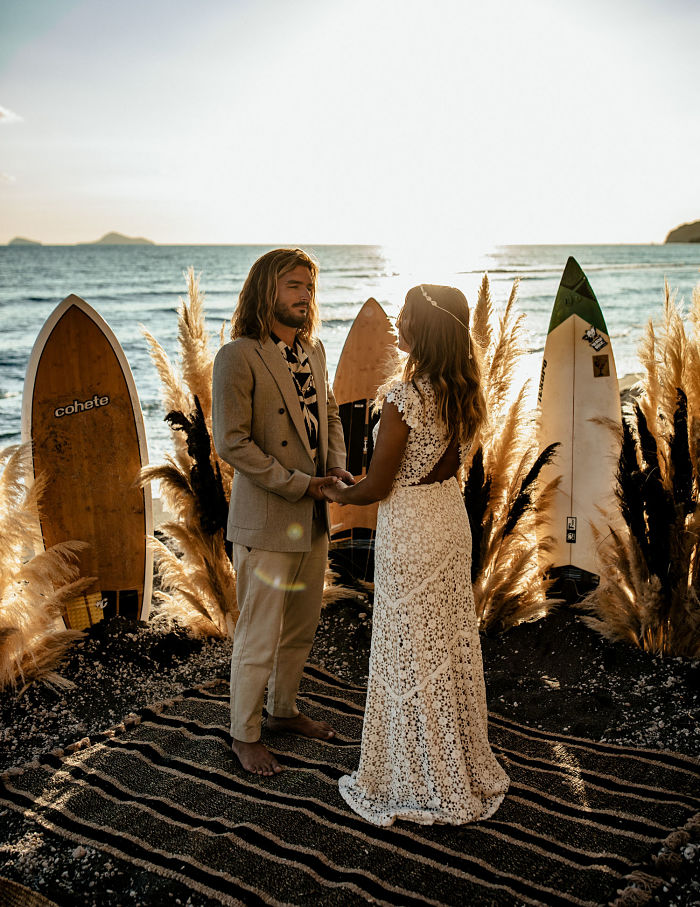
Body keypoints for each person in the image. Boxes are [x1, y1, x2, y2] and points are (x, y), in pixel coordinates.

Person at [323, 284, 510, 826]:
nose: (395, 323)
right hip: (449, 522)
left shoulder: (405, 399)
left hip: (410, 530)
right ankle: (458, 762)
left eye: (403, 315)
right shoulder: (465, 394)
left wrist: (336, 491)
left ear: (422, 329)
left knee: (408, 642)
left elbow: (378, 487)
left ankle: (414, 774)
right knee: (445, 642)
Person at [212, 248, 352, 777]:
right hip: (269, 517)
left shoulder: (312, 350)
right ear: (266, 290)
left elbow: (331, 415)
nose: (305, 295)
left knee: (301, 627)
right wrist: (302, 484)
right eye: (294, 285)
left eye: (310, 287)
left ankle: (283, 710)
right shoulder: (239, 355)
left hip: (314, 515)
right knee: (258, 633)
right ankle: (243, 733)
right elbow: (232, 443)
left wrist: (335, 472)